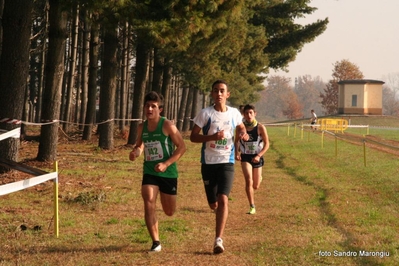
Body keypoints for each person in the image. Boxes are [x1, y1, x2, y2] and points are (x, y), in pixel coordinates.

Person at [190, 80, 248, 254]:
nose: (219, 94)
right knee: (213, 203)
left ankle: (218, 240)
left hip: (227, 162)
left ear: (227, 94)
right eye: (216, 91)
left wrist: (243, 134)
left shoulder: (234, 113)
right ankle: (214, 207)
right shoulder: (205, 114)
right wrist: (212, 137)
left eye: (222, 91)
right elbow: (193, 137)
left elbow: (242, 127)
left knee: (223, 199)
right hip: (208, 163)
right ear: (212, 94)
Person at [129, 91, 186, 252]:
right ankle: (156, 242)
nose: (150, 109)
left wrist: (166, 164)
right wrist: (135, 153)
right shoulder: (142, 127)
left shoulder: (167, 125)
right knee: (148, 200)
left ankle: (165, 207)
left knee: (169, 211)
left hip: (168, 172)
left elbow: (182, 147)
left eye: (153, 106)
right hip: (150, 171)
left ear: (159, 109)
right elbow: (140, 145)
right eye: (147, 106)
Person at [235, 104, 269, 215]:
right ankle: (252, 206)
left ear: (255, 114)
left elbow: (267, 144)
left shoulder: (260, 127)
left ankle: (258, 178)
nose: (249, 115)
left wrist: (259, 155)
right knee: (248, 180)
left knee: (256, 186)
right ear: (243, 115)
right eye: (246, 113)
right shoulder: (240, 127)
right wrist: (237, 153)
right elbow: (236, 141)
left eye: (251, 113)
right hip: (245, 157)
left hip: (257, 157)